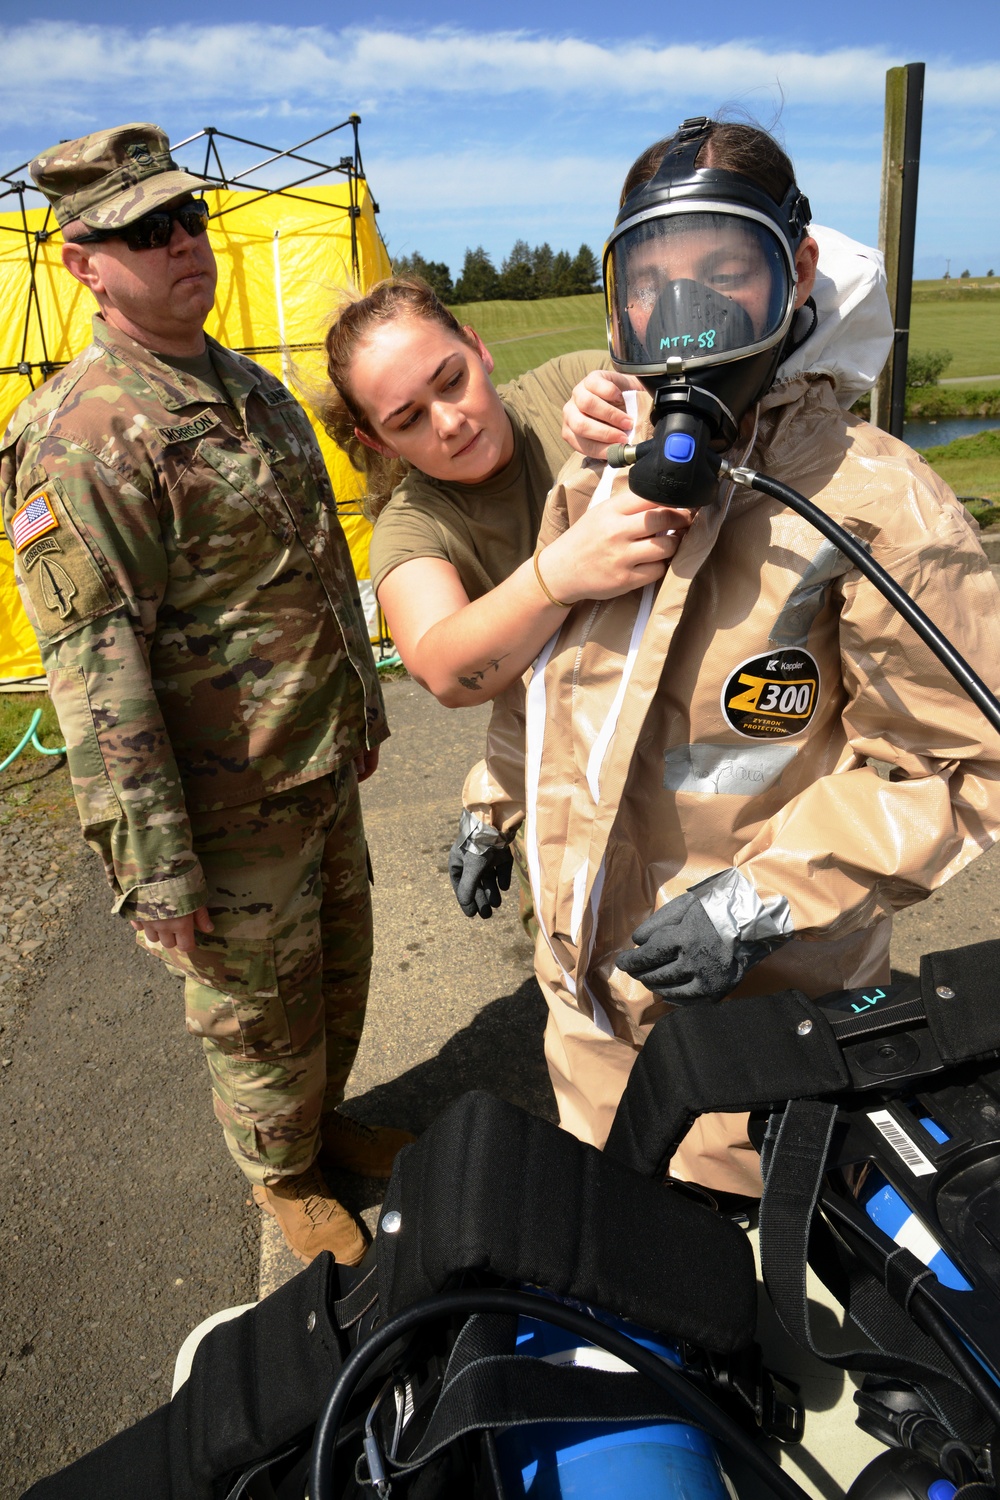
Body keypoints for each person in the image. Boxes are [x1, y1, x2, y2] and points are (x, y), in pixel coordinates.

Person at [454, 117, 1000, 1192]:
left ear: (794, 271)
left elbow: (949, 768)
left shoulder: (877, 506)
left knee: (756, 1292)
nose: (687, 316)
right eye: (653, 283)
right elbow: (553, 687)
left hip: (764, 1035)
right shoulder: (599, 477)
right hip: (587, 1011)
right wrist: (492, 801)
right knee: (618, 1269)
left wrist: (765, 900)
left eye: (723, 273)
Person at [0, 123, 410, 1266]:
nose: (183, 242)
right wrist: (154, 864)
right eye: (145, 230)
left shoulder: (246, 387)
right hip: (220, 809)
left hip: (312, 762)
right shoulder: (82, 436)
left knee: (334, 972)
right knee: (254, 1017)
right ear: (84, 260)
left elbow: (320, 560)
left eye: (187, 219)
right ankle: (283, 1176)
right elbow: (94, 665)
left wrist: (362, 715)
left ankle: (322, 1125)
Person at [318, 279, 692, 710]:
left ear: (479, 349)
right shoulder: (410, 525)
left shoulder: (570, 385)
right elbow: (442, 672)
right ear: (379, 443)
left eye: (453, 380)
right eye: (408, 421)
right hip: (563, 747)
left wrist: (633, 399)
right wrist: (560, 574)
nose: (448, 422)